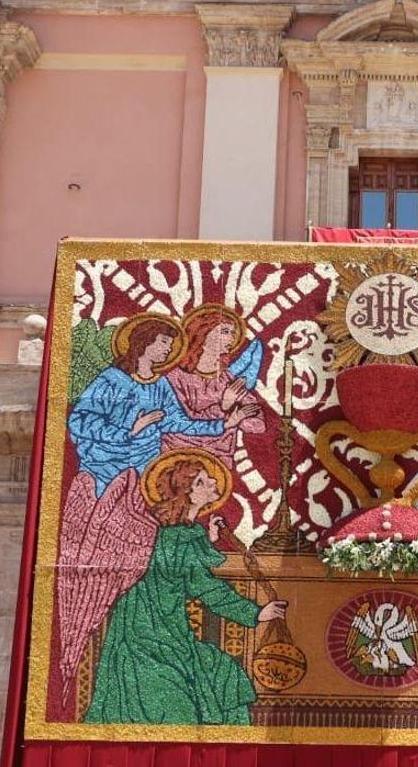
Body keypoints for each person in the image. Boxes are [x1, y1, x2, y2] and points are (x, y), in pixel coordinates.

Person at [54, 313, 253, 719]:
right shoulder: (112, 381)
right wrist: (130, 427)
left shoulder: (161, 385)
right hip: (112, 478)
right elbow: (79, 421)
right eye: (161, 343)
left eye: (170, 344)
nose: (167, 350)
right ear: (142, 343)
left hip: (146, 480)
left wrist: (225, 421)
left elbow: (180, 423)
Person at [85, 450, 287, 725]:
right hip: (149, 639)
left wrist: (208, 537)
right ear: (187, 493)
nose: (213, 482)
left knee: (224, 674)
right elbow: (205, 586)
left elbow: (185, 565)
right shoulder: (174, 538)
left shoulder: (178, 533)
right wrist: (256, 613)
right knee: (181, 700)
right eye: (202, 481)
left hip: (170, 633)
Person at [163, 303, 266, 465]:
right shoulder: (175, 379)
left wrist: (234, 413)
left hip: (219, 461)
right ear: (202, 335)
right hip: (178, 458)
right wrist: (224, 408)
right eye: (224, 332)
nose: (231, 338)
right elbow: (180, 423)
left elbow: (258, 425)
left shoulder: (228, 380)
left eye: (233, 333)